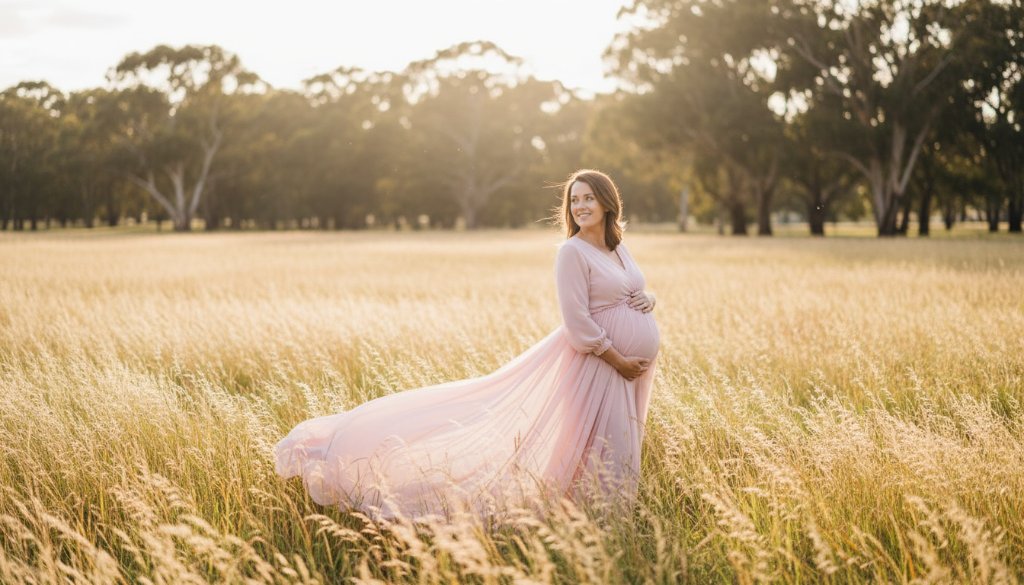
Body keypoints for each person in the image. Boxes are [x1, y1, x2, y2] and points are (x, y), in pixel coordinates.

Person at [274, 169, 659, 525]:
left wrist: (648, 299)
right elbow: (577, 322)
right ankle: (590, 519)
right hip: (598, 364)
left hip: (628, 369)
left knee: (617, 442)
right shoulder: (571, 252)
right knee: (601, 443)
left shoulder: (618, 247)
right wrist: (619, 359)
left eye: (589, 198)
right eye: (575, 200)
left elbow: (627, 288)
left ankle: (598, 521)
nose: (581, 206)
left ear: (608, 202)